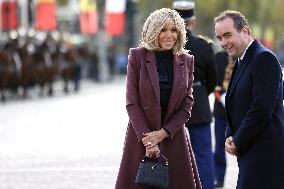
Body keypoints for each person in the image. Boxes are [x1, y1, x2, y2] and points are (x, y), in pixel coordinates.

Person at [115, 8, 201, 189]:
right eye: (163, 30)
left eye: (174, 30)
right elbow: (132, 103)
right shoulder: (137, 56)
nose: (169, 35)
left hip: (173, 137)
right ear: (153, 31)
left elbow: (187, 104)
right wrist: (149, 140)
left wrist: (163, 134)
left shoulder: (187, 60)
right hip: (141, 136)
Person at [214, 10, 284, 189]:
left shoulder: (264, 58)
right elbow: (236, 102)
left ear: (245, 31)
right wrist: (230, 135)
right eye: (219, 37)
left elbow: (261, 109)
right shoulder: (242, 59)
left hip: (265, 153)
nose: (223, 42)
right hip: (251, 149)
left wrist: (238, 140)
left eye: (227, 35)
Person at [173, 1, 217, 189]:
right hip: (198, 101)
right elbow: (213, 80)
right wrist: (198, 92)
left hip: (172, 105)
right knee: (203, 153)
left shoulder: (167, 45)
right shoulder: (204, 46)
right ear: (193, 21)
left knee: (173, 154)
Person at [213, 51, 235, 188]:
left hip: (240, 110)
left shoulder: (244, 54)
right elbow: (214, 81)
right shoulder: (219, 57)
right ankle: (219, 177)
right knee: (219, 146)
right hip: (221, 110)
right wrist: (221, 97)